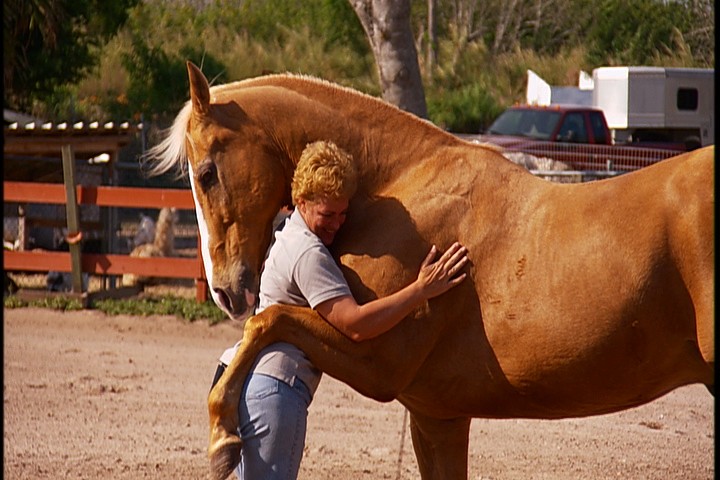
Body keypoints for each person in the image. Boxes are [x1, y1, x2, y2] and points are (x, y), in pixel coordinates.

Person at [212, 140, 469, 479]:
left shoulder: (289, 232)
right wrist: (421, 289)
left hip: (256, 385)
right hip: (276, 391)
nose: (336, 224)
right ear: (301, 202)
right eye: (327, 214)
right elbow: (355, 325)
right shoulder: (307, 253)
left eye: (343, 213)